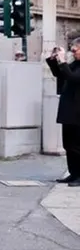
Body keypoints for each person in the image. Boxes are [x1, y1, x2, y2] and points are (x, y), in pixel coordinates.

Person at [47, 41, 80, 186]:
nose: (73, 51)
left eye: (77, 48)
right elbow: (61, 74)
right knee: (69, 145)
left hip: (78, 112)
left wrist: (62, 61)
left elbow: (73, 78)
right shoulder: (75, 64)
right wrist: (54, 59)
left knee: (78, 146)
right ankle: (73, 173)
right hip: (69, 110)